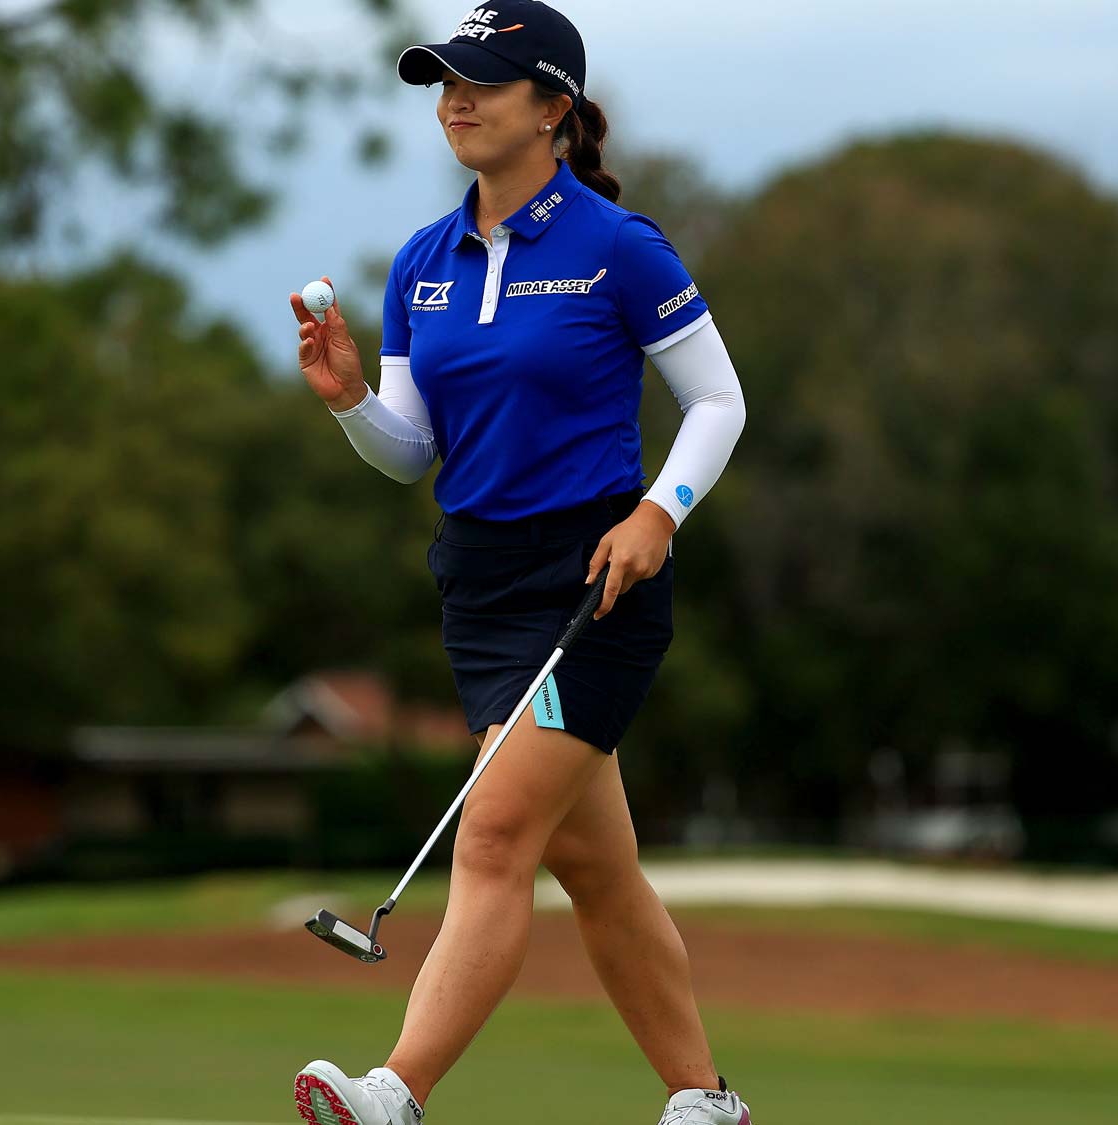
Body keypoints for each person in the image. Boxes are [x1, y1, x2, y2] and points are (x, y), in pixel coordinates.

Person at [285, 4, 752, 1124]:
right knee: (594, 870)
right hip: (482, 587)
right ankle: (704, 1102)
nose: (455, 98)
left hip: (599, 575)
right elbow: (410, 453)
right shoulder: (419, 264)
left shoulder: (616, 247)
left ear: (553, 110)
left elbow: (716, 401)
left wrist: (659, 515)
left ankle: (396, 1091)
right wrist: (350, 397)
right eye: (443, 80)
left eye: (483, 81)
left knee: (491, 832)